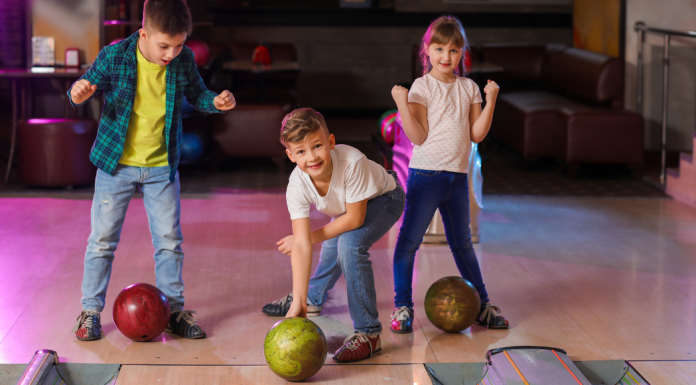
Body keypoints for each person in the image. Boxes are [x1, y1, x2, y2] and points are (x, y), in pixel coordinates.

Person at [69, 0, 236, 341]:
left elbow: (198, 94)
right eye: (164, 46)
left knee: (170, 243)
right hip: (116, 166)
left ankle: (174, 311)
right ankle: (89, 312)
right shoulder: (114, 56)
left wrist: (215, 102)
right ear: (144, 33)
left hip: (162, 166)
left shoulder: (183, 59)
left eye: (179, 45)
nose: (171, 54)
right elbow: (82, 88)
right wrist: (78, 93)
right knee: (101, 241)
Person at [389, 15, 509, 334]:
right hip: (425, 178)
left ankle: (482, 305)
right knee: (408, 242)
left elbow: (477, 134)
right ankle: (402, 308)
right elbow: (417, 136)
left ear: (462, 54)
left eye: (454, 50)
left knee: (463, 244)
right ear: (427, 50)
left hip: (457, 179)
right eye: (439, 49)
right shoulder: (421, 87)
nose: (446, 57)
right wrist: (402, 103)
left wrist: (492, 98)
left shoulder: (468, 87)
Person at [262, 108, 404, 363]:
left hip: (384, 198)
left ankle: (369, 334)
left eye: (317, 146)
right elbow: (303, 248)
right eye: (301, 151)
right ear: (291, 155)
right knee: (331, 248)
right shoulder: (297, 185)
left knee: (348, 245)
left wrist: (303, 238)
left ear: (330, 142)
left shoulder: (353, 162)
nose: (312, 157)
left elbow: (354, 219)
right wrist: (299, 303)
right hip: (349, 209)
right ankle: (310, 300)